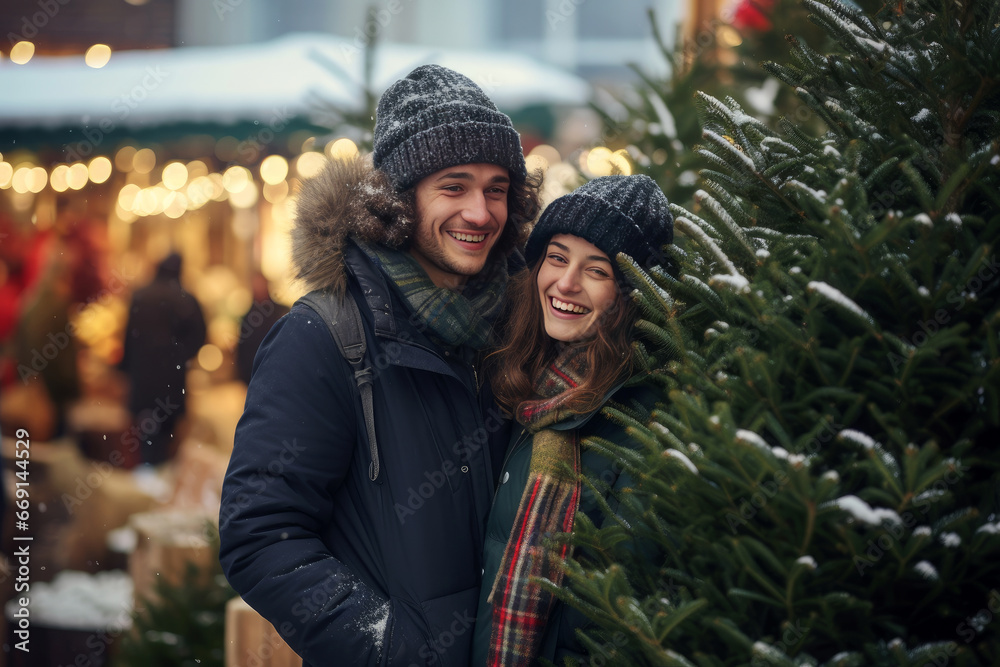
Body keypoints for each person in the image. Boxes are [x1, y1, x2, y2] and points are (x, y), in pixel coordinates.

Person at [218, 64, 541, 666]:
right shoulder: (324, 335)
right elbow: (259, 533)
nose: (479, 212)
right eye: (454, 185)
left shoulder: (516, 331)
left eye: (496, 188)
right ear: (398, 199)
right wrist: (385, 645)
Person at [472, 175, 674, 666]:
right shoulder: (526, 384)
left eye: (596, 270)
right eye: (557, 258)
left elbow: (627, 625)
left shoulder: (644, 420)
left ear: (630, 294)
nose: (565, 283)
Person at [119, 252, 206, 465]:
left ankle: (147, 481)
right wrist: (180, 357)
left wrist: (126, 370)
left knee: (146, 437)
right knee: (168, 438)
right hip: (172, 383)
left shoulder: (140, 296)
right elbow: (200, 336)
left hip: (143, 381)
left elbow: (128, 339)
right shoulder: (185, 299)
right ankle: (161, 485)